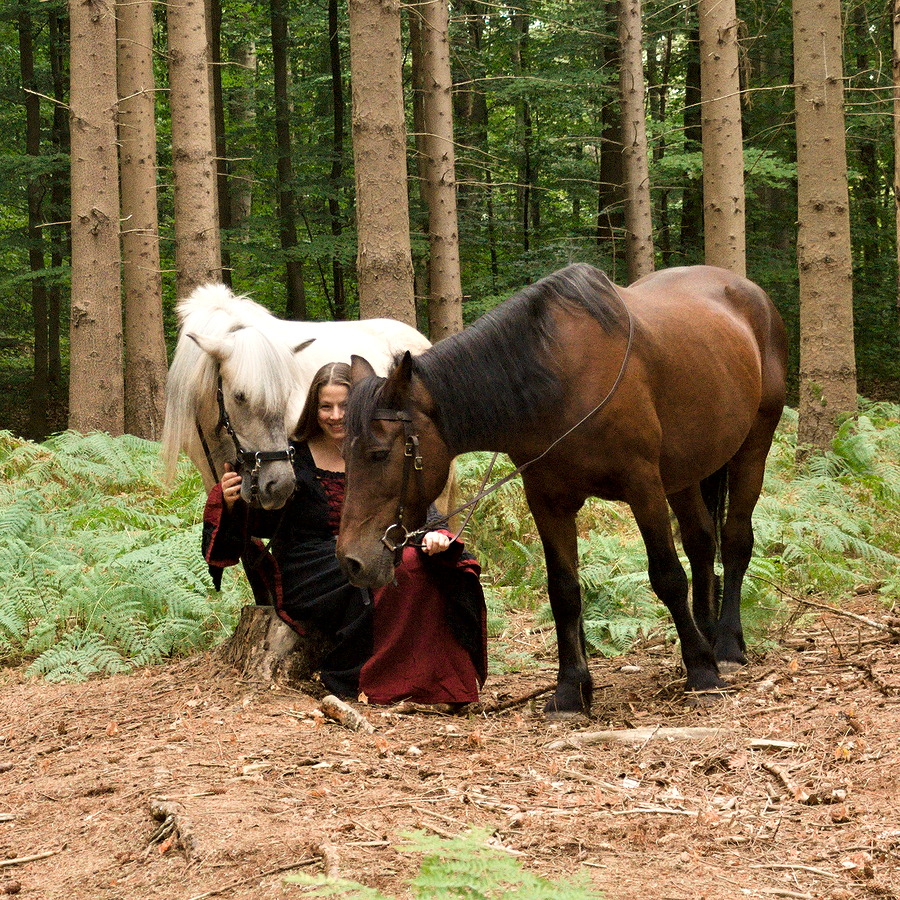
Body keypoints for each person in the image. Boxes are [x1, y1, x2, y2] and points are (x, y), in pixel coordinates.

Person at [202, 361, 487, 705]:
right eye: (326, 406)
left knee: (438, 567)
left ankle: (438, 682)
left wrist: (436, 534)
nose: (336, 415)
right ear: (313, 408)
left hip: (369, 546)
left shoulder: (374, 451)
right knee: (401, 569)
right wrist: (233, 502)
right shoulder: (292, 456)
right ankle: (367, 678)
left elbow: (410, 502)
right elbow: (263, 523)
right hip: (310, 567)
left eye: (345, 406)